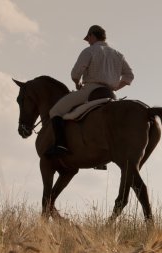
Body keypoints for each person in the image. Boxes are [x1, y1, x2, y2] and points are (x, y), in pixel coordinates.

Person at [46, 25, 134, 156]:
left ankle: (60, 145)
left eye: (88, 38)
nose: (88, 41)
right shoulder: (118, 55)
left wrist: (78, 83)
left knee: (55, 111)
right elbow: (129, 76)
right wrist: (115, 87)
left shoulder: (90, 51)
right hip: (111, 95)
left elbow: (76, 74)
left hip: (90, 90)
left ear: (92, 35)